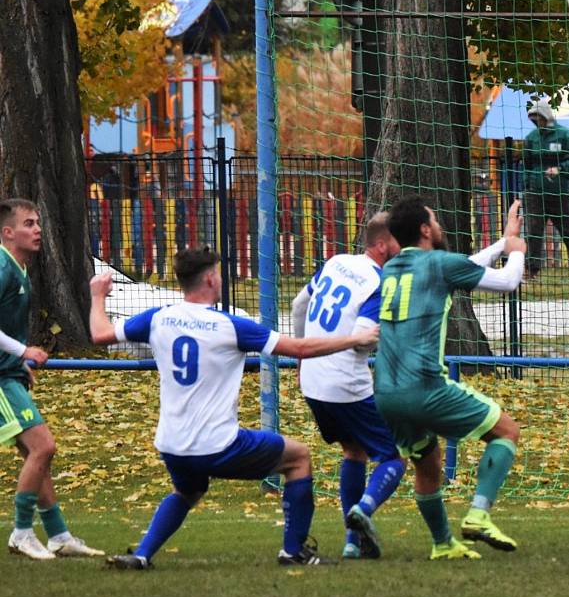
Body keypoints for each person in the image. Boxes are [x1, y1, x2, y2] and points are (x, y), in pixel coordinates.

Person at [89, 247, 379, 569]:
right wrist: (354, 339)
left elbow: (100, 334)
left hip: (172, 444)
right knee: (298, 458)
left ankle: (141, 556)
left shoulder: (156, 318)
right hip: (217, 444)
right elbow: (298, 347)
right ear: (211, 279)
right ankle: (293, 551)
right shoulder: (231, 326)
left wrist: (98, 295)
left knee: (188, 491)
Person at [373, 196, 525, 561]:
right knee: (506, 432)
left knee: (427, 464)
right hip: (424, 386)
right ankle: (478, 515)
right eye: (435, 220)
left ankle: (442, 543)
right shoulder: (439, 263)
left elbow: (464, 267)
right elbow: (507, 282)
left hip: (385, 391)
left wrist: (503, 241)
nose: (439, 225)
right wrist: (516, 251)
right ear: (426, 229)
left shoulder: (393, 268)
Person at [291, 212, 406, 560]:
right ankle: (364, 510)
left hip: (313, 380)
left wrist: (302, 354)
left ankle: (352, 544)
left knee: (353, 451)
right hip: (346, 383)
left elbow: (299, 305)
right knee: (392, 457)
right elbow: (360, 342)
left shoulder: (336, 261)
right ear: (384, 244)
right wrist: (379, 338)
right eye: (401, 240)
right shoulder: (378, 280)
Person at [0, 198, 104, 560]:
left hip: (8, 374)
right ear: (7, 232)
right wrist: (23, 351)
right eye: (29, 223)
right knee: (43, 447)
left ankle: (58, 535)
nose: (37, 229)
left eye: (38, 222)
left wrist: (17, 362)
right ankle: (21, 533)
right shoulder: (1, 267)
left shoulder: (19, 268)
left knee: (37, 453)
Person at [522, 100, 569, 280]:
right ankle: (532, 270)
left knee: (567, 230)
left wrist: (559, 169)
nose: (536, 122)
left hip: (559, 193)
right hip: (535, 193)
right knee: (534, 231)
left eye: (539, 118)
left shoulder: (565, 135)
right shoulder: (531, 138)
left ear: (546, 116)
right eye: (533, 119)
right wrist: (527, 186)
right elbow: (526, 165)